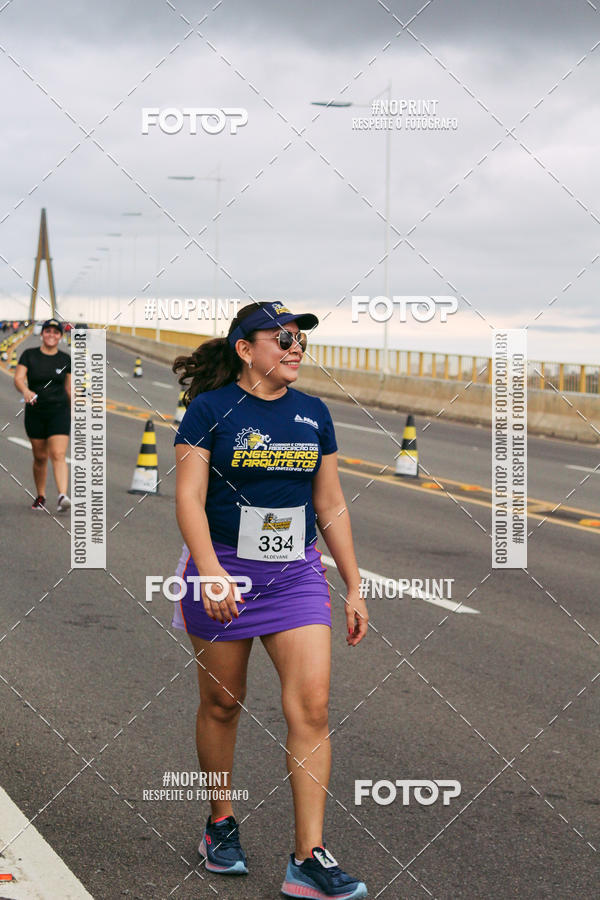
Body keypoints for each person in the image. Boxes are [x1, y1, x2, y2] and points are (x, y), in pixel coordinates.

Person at [172, 300, 369, 899]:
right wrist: (209, 572)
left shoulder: (314, 413)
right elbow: (188, 496)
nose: (295, 347)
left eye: (300, 339)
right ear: (245, 348)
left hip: (296, 575)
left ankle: (307, 857)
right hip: (224, 570)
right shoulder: (208, 410)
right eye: (281, 337)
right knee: (223, 704)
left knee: (311, 708)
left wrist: (354, 584)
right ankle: (220, 822)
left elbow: (330, 501)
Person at [14, 318, 71, 512]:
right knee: (40, 457)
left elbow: (69, 388)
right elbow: (19, 378)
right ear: (42, 334)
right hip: (36, 412)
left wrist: (75, 411)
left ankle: (63, 495)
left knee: (58, 453)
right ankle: (41, 495)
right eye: (48, 331)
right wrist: (26, 391)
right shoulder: (29, 355)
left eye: (56, 332)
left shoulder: (65, 360)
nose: (51, 335)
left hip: (59, 411)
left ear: (60, 336)